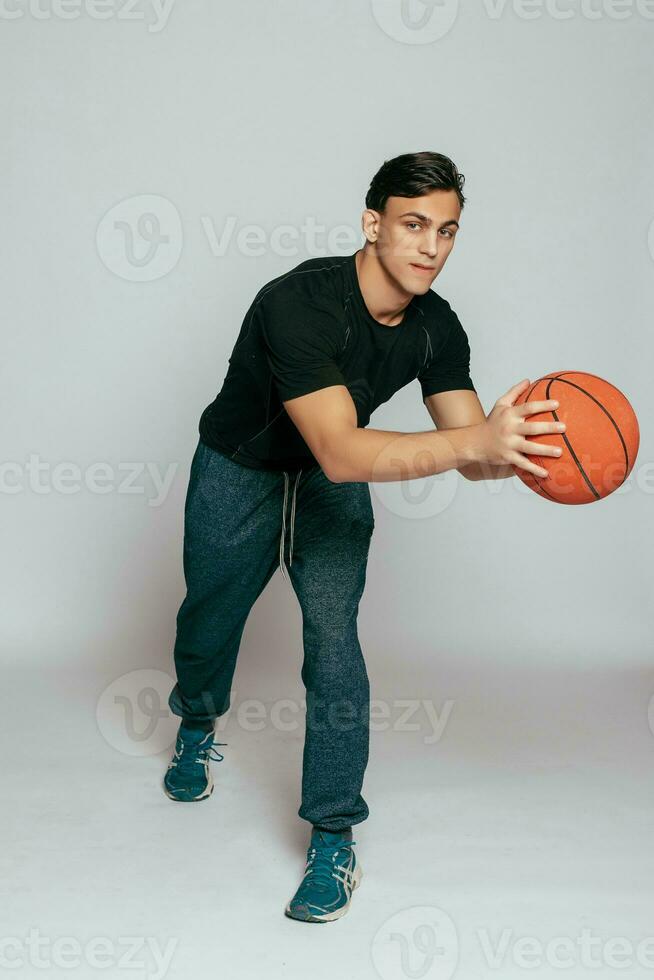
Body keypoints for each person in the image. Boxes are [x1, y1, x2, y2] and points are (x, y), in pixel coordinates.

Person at [162, 150, 565, 923]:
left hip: (329, 487)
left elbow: (471, 454)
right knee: (209, 619)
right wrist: (474, 444)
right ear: (372, 224)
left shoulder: (436, 327)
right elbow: (344, 451)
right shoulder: (299, 302)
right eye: (414, 226)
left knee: (335, 643)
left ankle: (334, 834)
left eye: (447, 232)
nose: (431, 248)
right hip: (241, 467)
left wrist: (530, 451)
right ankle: (196, 719)